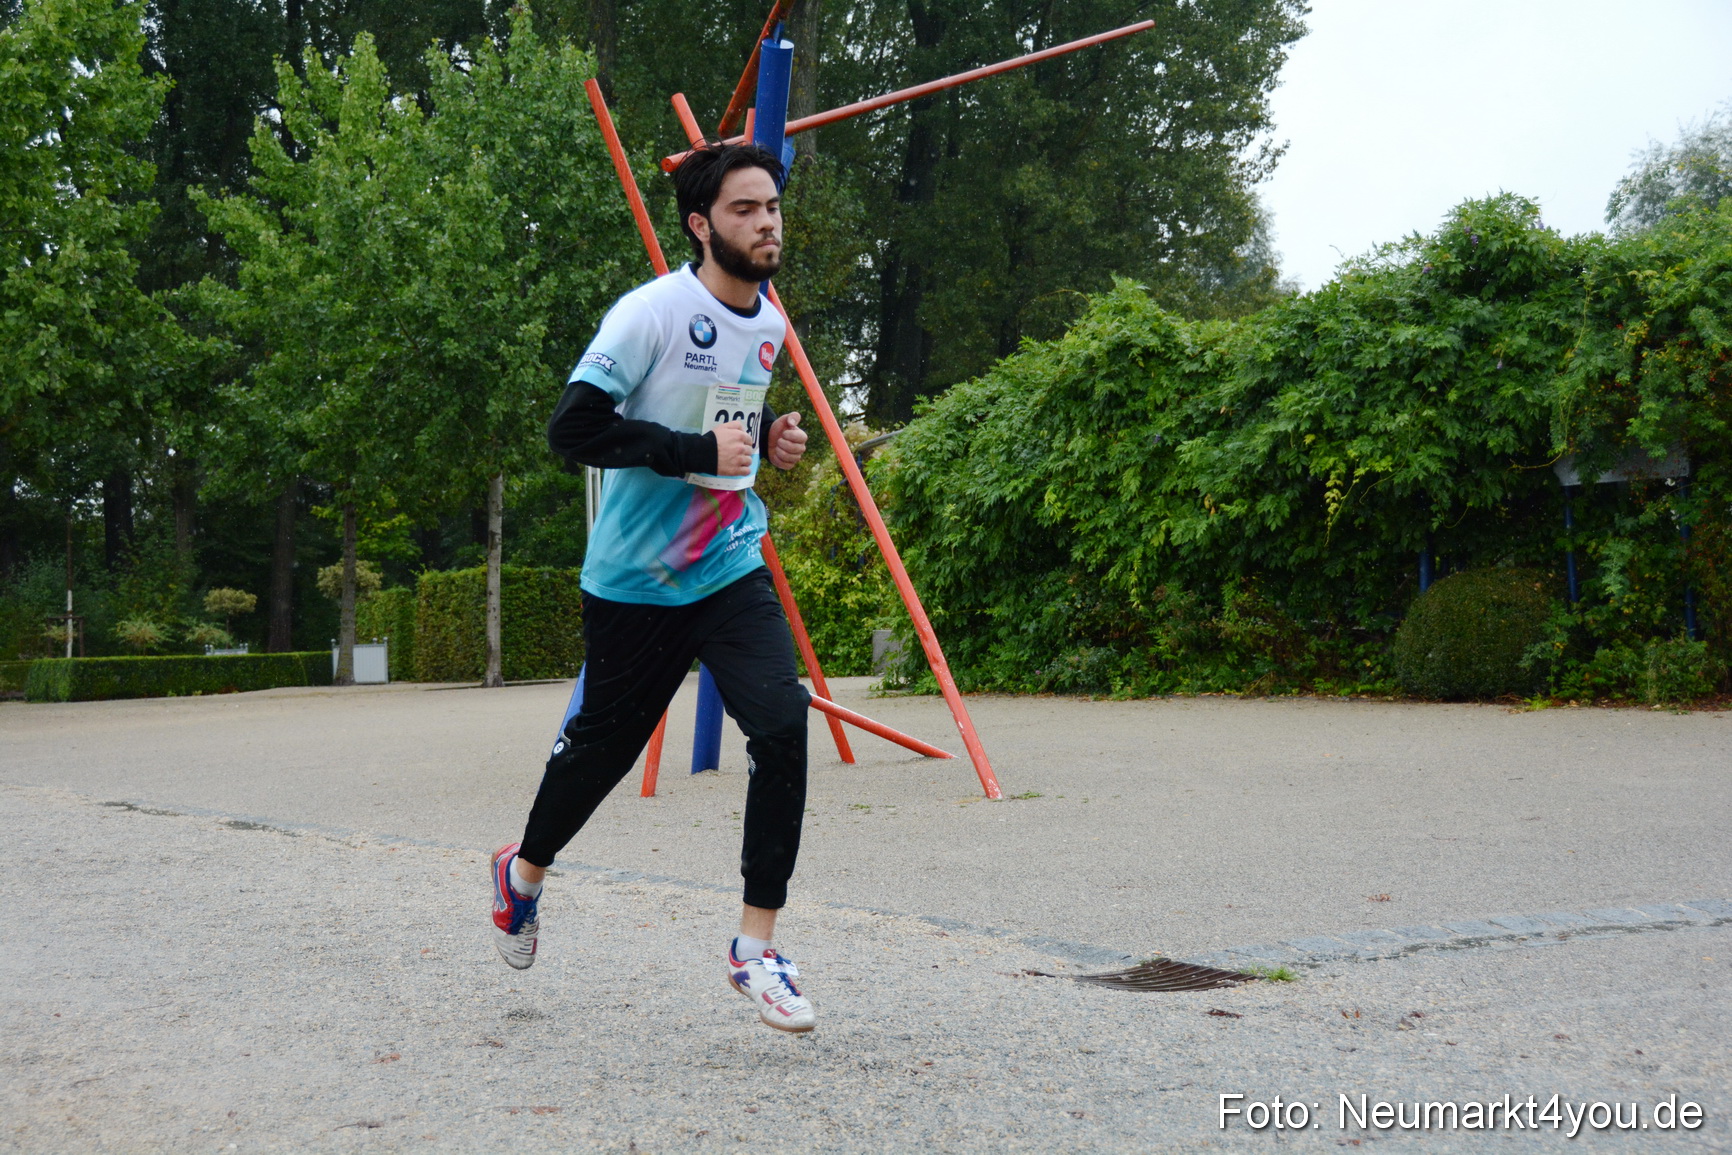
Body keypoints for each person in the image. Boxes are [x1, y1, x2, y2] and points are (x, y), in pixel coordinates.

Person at [489, 142, 818, 1034]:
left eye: (772, 206)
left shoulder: (768, 322)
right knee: (602, 753)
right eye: (746, 209)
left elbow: (724, 413)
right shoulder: (650, 314)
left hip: (728, 560)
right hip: (635, 580)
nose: (767, 222)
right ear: (701, 224)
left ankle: (757, 948)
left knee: (782, 723)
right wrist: (692, 453)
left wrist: (769, 435)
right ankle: (522, 872)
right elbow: (573, 429)